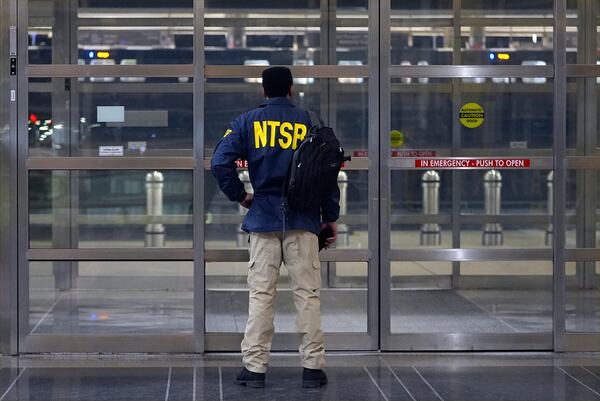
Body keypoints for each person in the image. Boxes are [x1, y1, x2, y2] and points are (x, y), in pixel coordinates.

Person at [211, 66, 340, 388]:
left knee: (261, 295)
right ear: (292, 89)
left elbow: (219, 162)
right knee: (307, 295)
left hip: (264, 218)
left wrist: (241, 196)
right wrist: (329, 216)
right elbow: (328, 171)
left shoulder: (247, 122)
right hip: (304, 221)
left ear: (263, 91)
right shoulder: (309, 121)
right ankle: (313, 368)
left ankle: (255, 368)